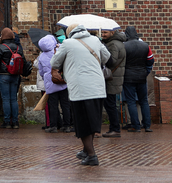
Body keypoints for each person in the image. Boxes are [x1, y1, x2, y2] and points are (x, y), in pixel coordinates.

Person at [50, 23, 111, 166]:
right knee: (92, 120)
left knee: (82, 122)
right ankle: (86, 150)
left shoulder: (67, 44)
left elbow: (54, 62)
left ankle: (92, 155)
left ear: (69, 33)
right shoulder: (95, 40)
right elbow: (107, 57)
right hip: (98, 87)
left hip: (80, 88)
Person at [37, 34, 72, 133]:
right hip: (62, 81)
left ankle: (53, 126)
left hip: (50, 83)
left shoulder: (41, 56)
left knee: (52, 105)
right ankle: (67, 125)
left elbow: (41, 71)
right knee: (65, 104)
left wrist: (46, 78)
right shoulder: (59, 50)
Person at [0, 27, 26, 129]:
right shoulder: (18, 48)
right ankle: (15, 122)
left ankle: (7, 121)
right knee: (13, 99)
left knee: (6, 99)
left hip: (3, 75)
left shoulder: (0, 47)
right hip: (15, 75)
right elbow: (23, 61)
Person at [122, 25, 154, 132]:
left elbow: (120, 62)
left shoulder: (124, 46)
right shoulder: (145, 45)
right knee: (144, 101)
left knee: (131, 102)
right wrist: (146, 72)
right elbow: (150, 60)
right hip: (142, 76)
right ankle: (147, 125)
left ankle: (136, 126)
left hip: (128, 77)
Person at [101, 28, 126, 137]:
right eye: (102, 32)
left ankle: (115, 129)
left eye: (105, 32)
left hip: (111, 79)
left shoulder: (113, 44)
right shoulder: (119, 43)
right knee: (111, 104)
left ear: (112, 32)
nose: (103, 34)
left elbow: (112, 61)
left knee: (110, 105)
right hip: (115, 78)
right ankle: (114, 128)